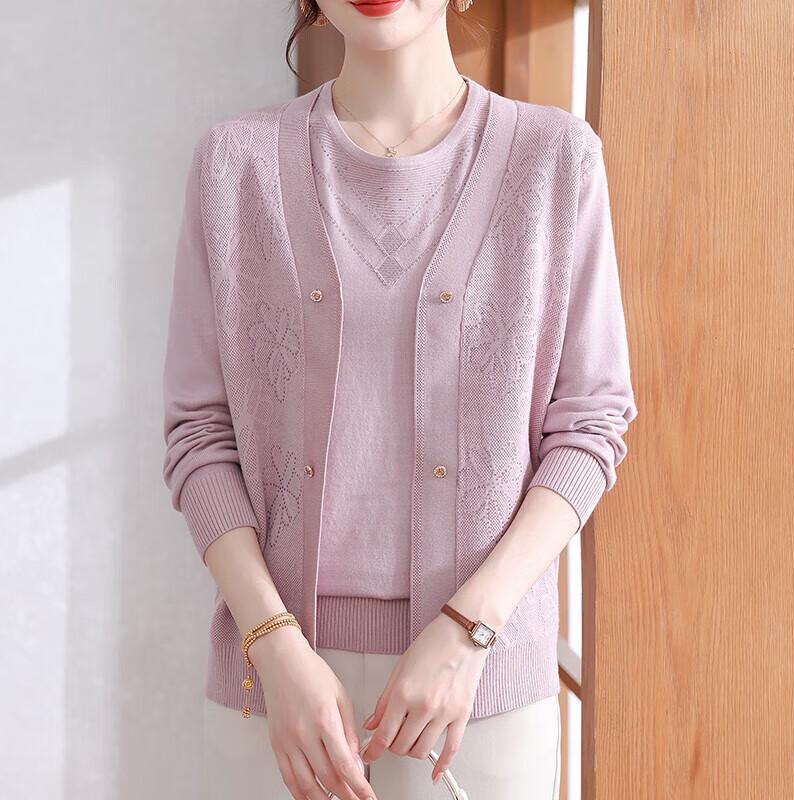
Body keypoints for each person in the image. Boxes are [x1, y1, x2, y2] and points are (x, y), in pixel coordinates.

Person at [161, 0, 638, 797]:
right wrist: (274, 644)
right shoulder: (235, 164)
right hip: (278, 693)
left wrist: (469, 628)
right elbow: (199, 436)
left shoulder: (556, 160)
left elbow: (591, 426)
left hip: (476, 692)